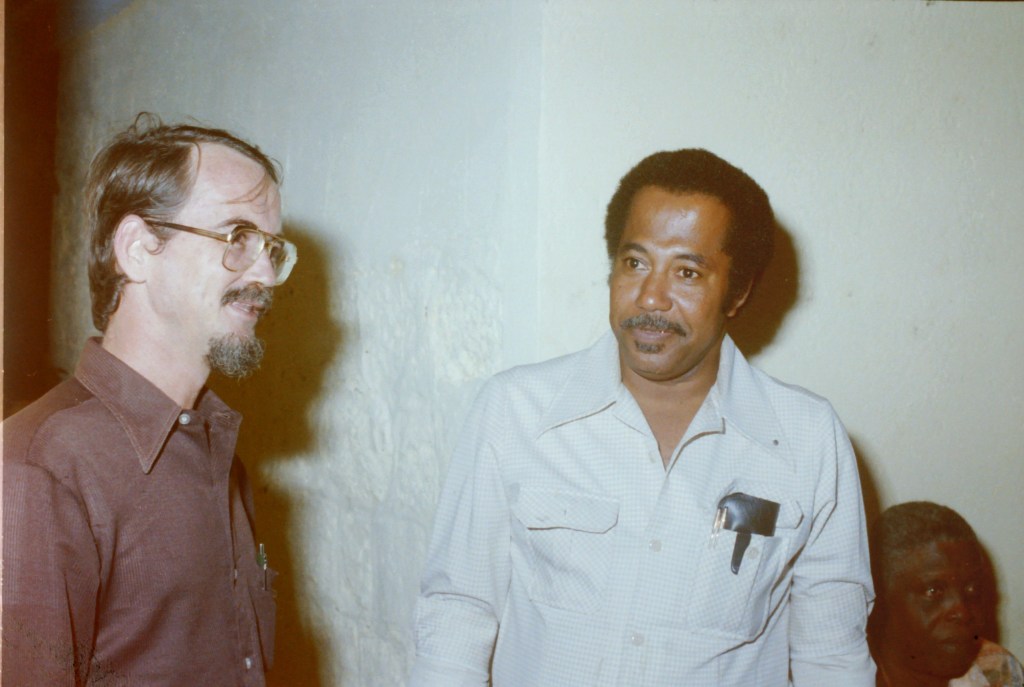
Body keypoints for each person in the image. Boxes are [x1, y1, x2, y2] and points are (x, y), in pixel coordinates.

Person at [410, 149, 875, 685]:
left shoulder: (807, 438)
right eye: (635, 263)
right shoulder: (516, 411)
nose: (651, 297)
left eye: (687, 272)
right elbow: (458, 614)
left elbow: (832, 657)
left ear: (737, 292)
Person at [2, 114, 296, 685]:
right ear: (138, 249)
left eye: (272, 247)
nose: (265, 274)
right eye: (237, 237)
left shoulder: (216, 454)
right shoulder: (36, 469)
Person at [869, 501, 1023, 687]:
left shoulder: (995, 668)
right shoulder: (845, 677)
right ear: (879, 602)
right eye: (933, 591)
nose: (963, 612)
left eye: (972, 589)